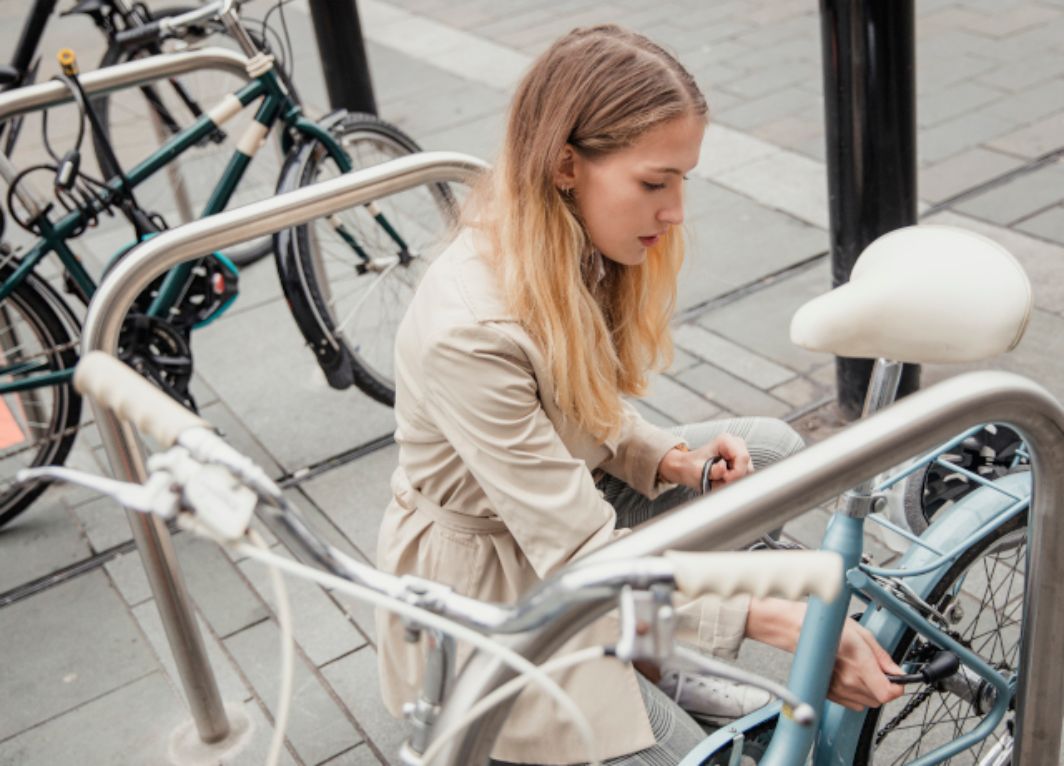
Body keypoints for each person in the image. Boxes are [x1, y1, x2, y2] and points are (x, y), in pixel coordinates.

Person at [376, 24, 903, 766]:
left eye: (683, 179)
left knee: (773, 452)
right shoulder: (471, 331)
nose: (676, 209)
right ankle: (643, 661)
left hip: (558, 517)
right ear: (565, 164)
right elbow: (583, 559)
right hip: (493, 584)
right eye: (656, 182)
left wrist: (673, 461)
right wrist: (778, 619)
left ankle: (652, 653)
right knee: (692, 756)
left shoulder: (565, 242)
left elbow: (580, 410)